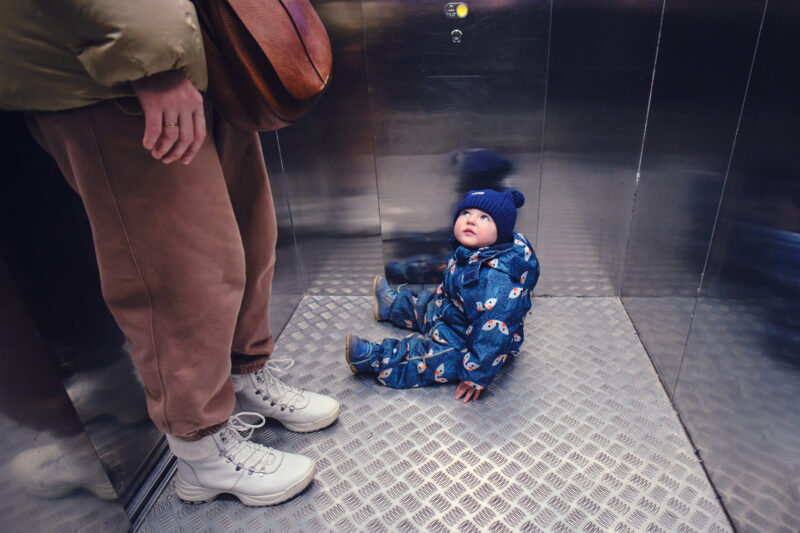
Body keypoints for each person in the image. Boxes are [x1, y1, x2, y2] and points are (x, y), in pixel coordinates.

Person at [0, 0, 339, 506]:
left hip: (199, 50)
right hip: (113, 70)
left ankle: (244, 374)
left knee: (248, 233)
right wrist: (152, 61)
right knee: (178, 268)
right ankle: (202, 453)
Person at [346, 189, 540, 401]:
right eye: (466, 213)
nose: (471, 221)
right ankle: (393, 306)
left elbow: (493, 338)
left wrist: (475, 374)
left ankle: (376, 358)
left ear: (501, 232)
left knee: (430, 357)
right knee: (428, 304)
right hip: (455, 312)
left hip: (474, 343)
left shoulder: (498, 283)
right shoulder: (476, 250)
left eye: (484, 217)